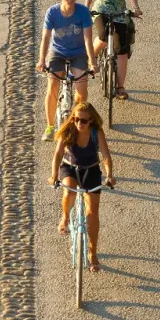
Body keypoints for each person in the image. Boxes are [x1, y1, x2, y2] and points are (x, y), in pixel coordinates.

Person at [49, 100, 114, 272]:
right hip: (70, 168)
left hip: (91, 171)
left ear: (91, 120)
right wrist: (54, 175)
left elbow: (106, 155)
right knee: (69, 191)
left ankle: (93, 252)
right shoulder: (68, 130)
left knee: (92, 212)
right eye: (76, 119)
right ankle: (65, 218)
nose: (79, 123)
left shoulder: (96, 132)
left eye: (83, 120)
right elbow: (58, 155)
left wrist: (109, 175)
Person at [37, 0, 97, 143]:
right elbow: (46, 38)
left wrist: (93, 63)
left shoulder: (83, 12)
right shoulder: (52, 12)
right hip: (58, 53)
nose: (71, 0)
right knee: (53, 86)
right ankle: (50, 126)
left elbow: (87, 39)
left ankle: (78, 120)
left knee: (82, 89)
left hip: (78, 53)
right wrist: (42, 60)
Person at [86, 0, 142, 99]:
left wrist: (135, 7)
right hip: (101, 10)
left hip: (119, 12)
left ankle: (120, 87)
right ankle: (92, 58)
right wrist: (86, 6)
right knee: (103, 35)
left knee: (121, 50)